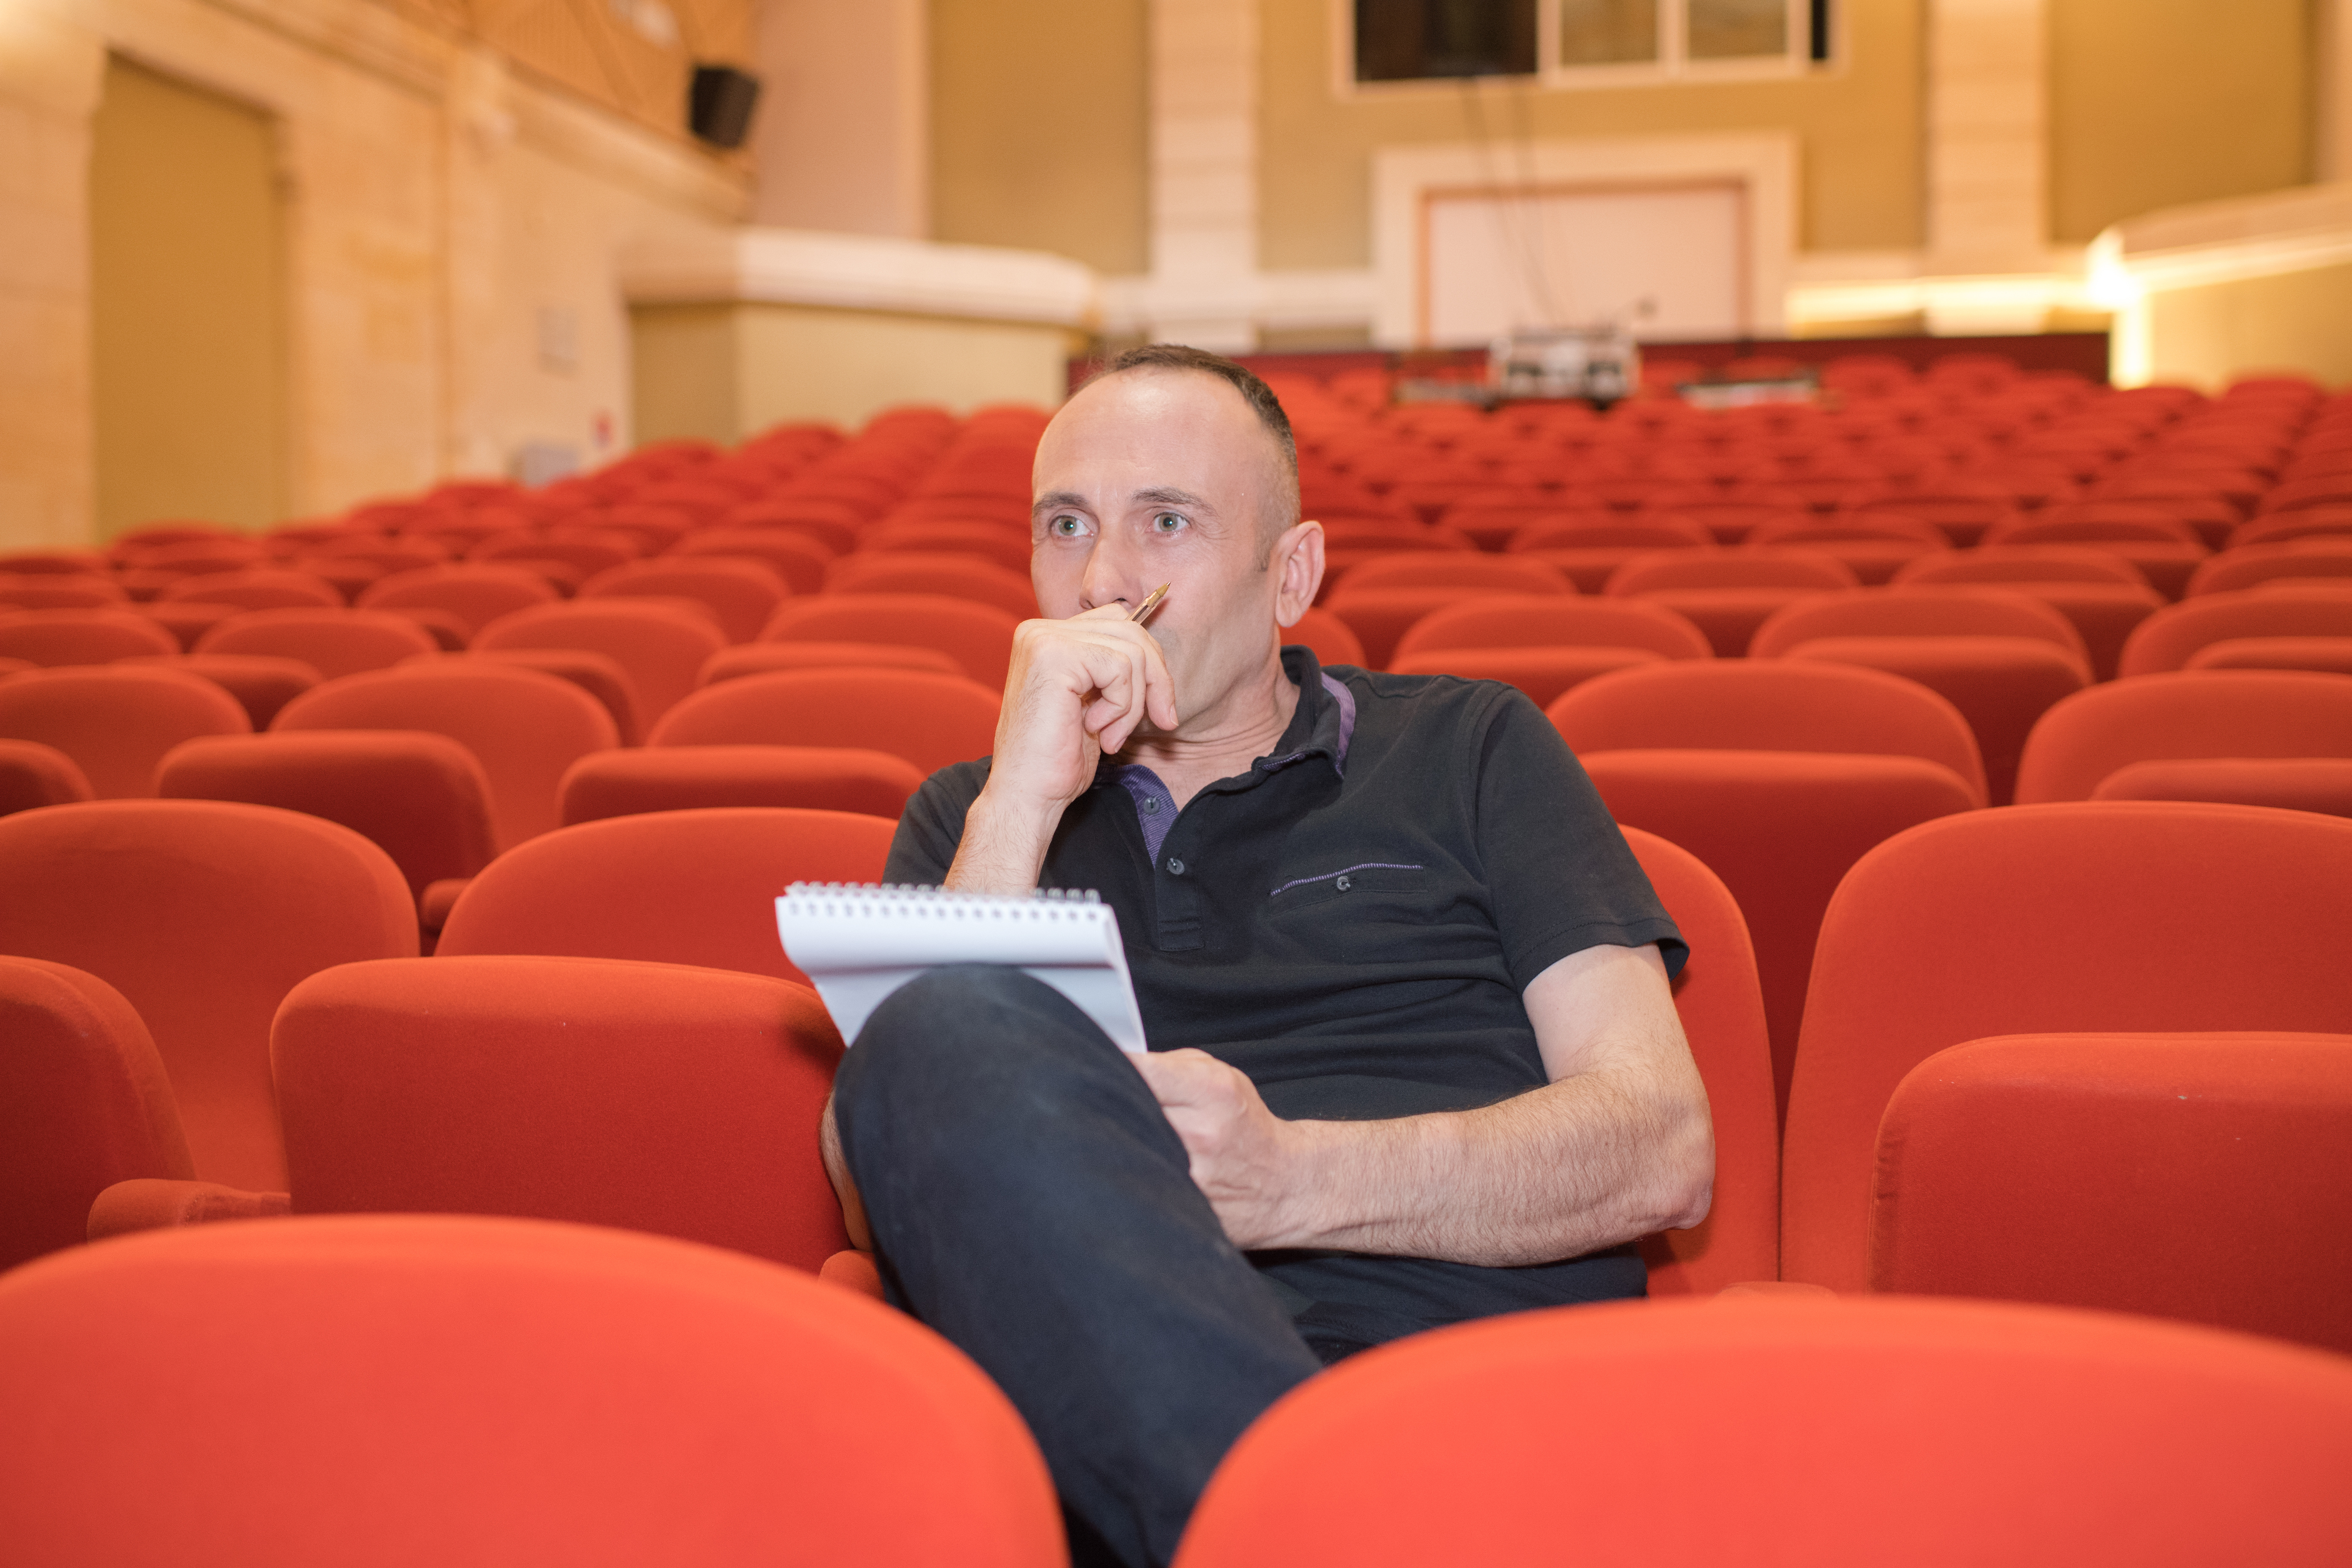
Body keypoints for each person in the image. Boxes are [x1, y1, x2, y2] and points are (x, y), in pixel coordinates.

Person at [822, 345, 1713, 1568]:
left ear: (1289, 573)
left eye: (1167, 521)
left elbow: (1661, 1144)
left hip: (1456, 1399)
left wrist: (1291, 1177)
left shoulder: (1474, 748)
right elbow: (882, 1171)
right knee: (937, 1023)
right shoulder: (972, 819)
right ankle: (1303, 1526)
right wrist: (1023, 797)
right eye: (1065, 525)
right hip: (1108, 1422)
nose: (1103, 580)